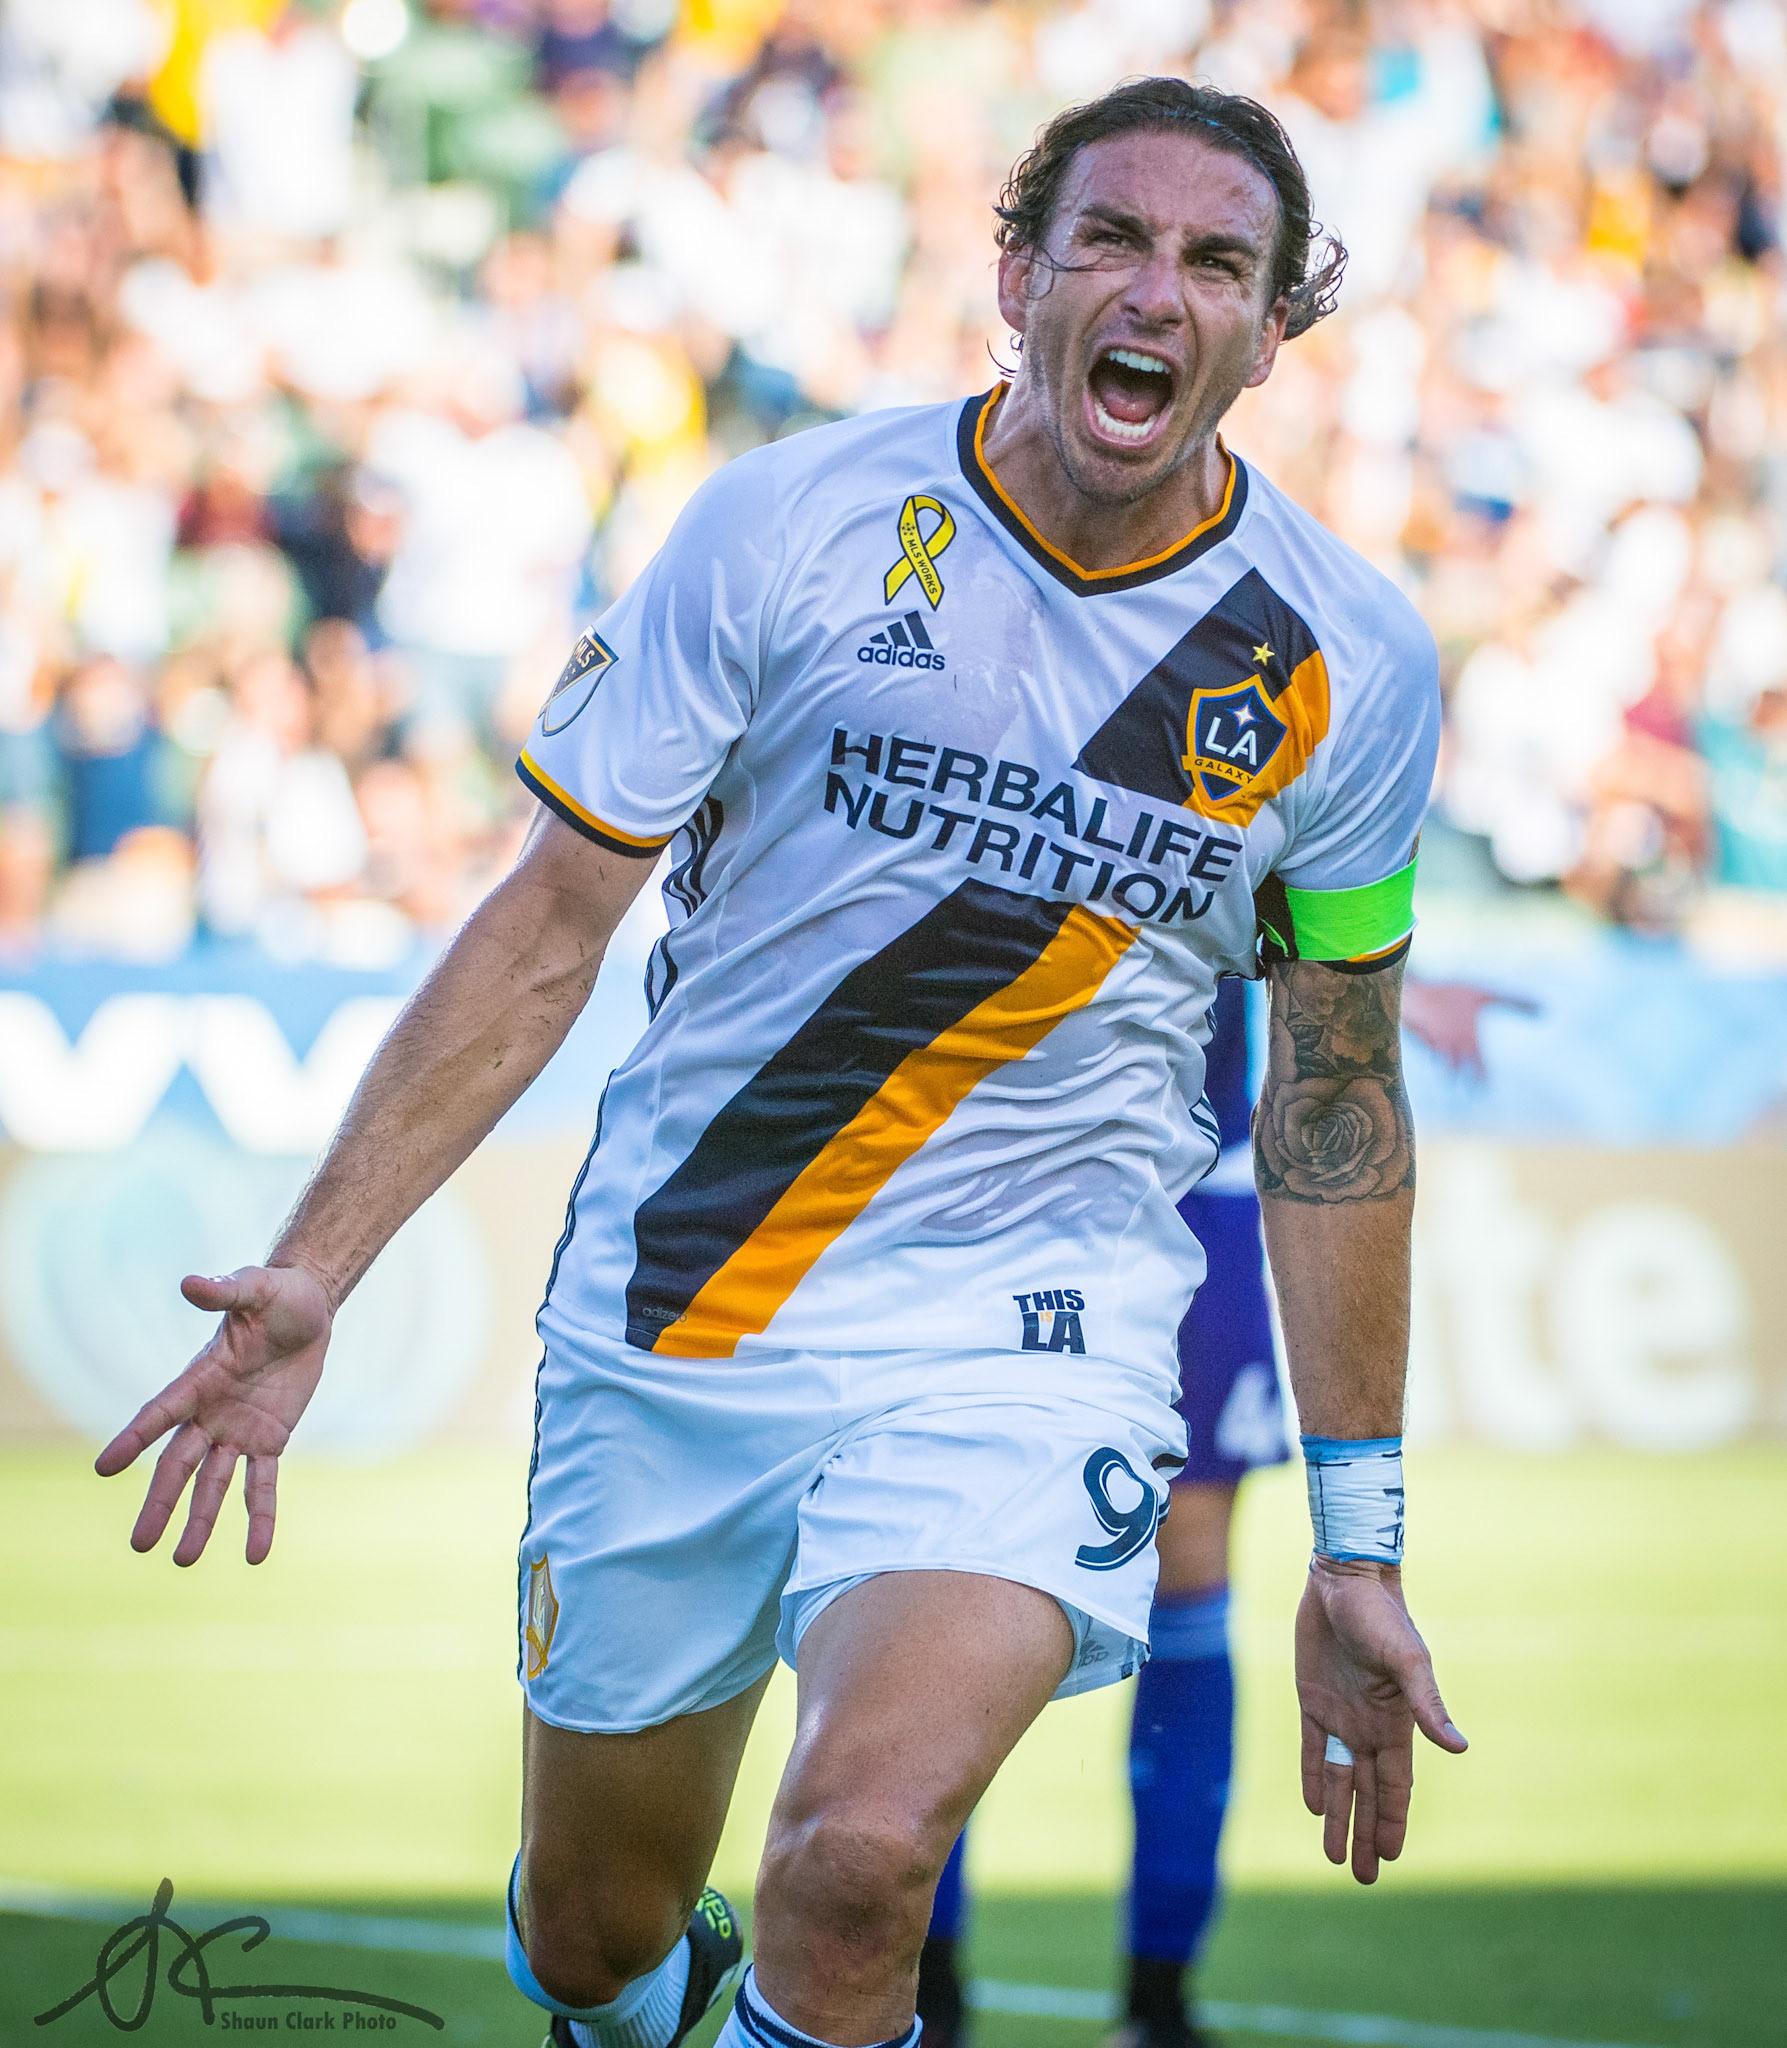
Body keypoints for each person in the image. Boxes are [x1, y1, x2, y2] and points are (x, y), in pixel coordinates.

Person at [97, 78, 1466, 2048]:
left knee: (858, 1858)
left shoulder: (1347, 661)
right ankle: (641, 1998)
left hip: (1029, 1318)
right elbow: (551, 921)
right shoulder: (787, 524)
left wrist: (1355, 1540)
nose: (1153, 290)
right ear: (1016, 270)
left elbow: (1333, 1092)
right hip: (688, 1298)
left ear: (1270, 329)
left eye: (1213, 262)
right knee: (589, 1931)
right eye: (1108, 238)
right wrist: (319, 1259)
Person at [916, 979, 1532, 2048]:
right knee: (924, 1580)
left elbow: (1283, 890)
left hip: (1183, 1186)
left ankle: (1156, 1998)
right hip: (973, 1185)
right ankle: (922, 1984)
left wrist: (1386, 985)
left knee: (1183, 1570)